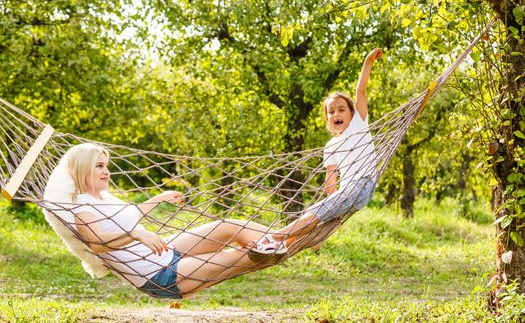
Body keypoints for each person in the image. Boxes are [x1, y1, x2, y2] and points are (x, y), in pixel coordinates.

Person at [56, 143, 286, 299]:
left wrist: (160, 198)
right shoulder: (82, 206)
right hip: (160, 276)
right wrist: (135, 235)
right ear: (83, 168)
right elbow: (96, 244)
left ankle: (288, 235)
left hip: (168, 252)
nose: (106, 171)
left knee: (229, 226)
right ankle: (295, 240)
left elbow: (131, 215)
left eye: (106, 165)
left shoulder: (104, 196)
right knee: (240, 257)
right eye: (99, 166)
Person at [249, 48, 382, 255]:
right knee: (312, 214)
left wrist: (368, 61)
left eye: (341, 109)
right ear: (327, 118)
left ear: (352, 113)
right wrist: (333, 203)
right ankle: (281, 247)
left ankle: (274, 236)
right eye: (331, 111)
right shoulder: (331, 145)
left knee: (315, 215)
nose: (336, 113)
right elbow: (331, 180)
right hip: (345, 193)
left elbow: (360, 90)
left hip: (362, 184)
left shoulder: (359, 125)